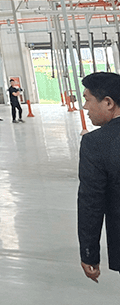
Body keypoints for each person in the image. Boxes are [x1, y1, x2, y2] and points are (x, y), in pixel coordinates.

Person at [78, 71, 120, 283]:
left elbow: (91, 203)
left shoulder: (95, 143)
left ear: (108, 103)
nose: (85, 107)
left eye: (87, 99)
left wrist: (89, 254)